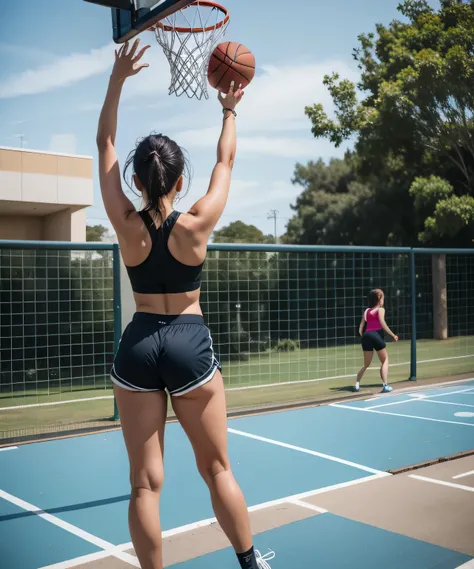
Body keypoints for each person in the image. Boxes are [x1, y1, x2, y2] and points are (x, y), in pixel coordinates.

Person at [96, 40, 274, 569]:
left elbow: (106, 139)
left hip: (139, 342)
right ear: (178, 181)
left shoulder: (126, 224)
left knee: (144, 485)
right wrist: (229, 110)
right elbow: (226, 158)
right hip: (189, 342)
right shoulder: (197, 225)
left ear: (136, 181)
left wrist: (117, 80)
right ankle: (249, 562)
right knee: (217, 468)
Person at [356, 288, 398, 393]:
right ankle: (385, 385)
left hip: (366, 336)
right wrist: (393, 334)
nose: (383, 299)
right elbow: (383, 323)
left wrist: (363, 336)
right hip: (375, 336)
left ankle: (357, 384)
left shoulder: (366, 311)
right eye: (383, 297)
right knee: (385, 360)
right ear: (379, 299)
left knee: (366, 364)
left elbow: (361, 327)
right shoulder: (380, 309)